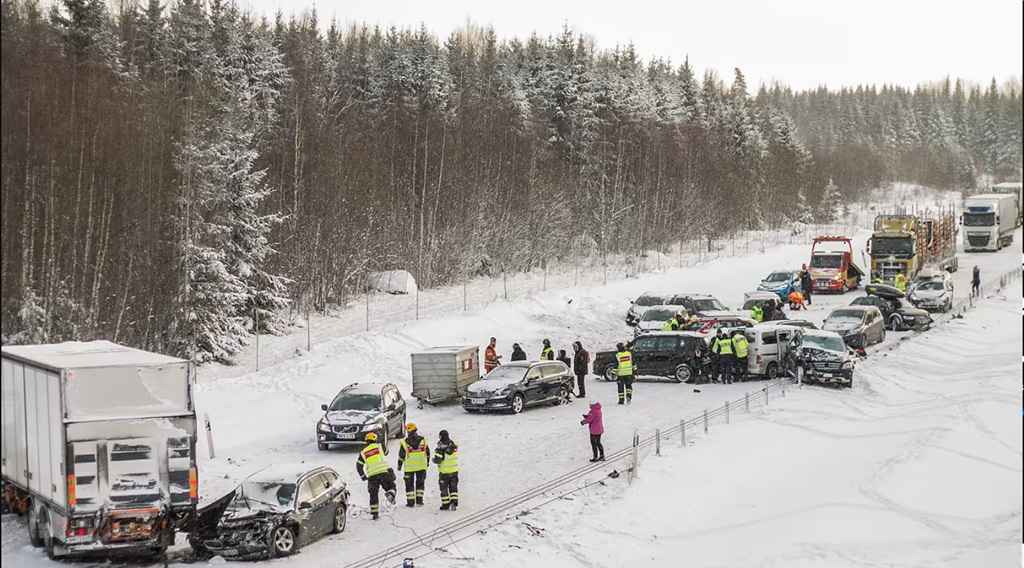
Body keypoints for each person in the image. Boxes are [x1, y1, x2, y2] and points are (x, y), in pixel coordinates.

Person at [355, 432, 396, 520]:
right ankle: (390, 493)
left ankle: (375, 514)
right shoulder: (380, 446)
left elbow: (359, 465)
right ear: (375, 439)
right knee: (391, 486)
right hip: (384, 472)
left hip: (372, 476)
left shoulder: (363, 452)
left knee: (373, 494)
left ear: (366, 441)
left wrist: (363, 476)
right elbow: (386, 452)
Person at [397, 423, 430, 507]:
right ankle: (419, 501)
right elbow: (428, 453)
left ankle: (410, 502)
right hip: (422, 466)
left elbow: (401, 456)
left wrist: (399, 466)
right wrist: (427, 463)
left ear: (408, 431)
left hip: (409, 468)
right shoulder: (423, 440)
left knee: (409, 485)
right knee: (420, 483)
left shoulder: (405, 442)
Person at [433, 430, 459, 511]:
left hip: (444, 473)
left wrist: (433, 460)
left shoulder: (440, 448)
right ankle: (454, 502)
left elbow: (438, 460)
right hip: (454, 471)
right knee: (453, 488)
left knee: (444, 489)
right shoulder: (453, 446)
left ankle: (445, 504)